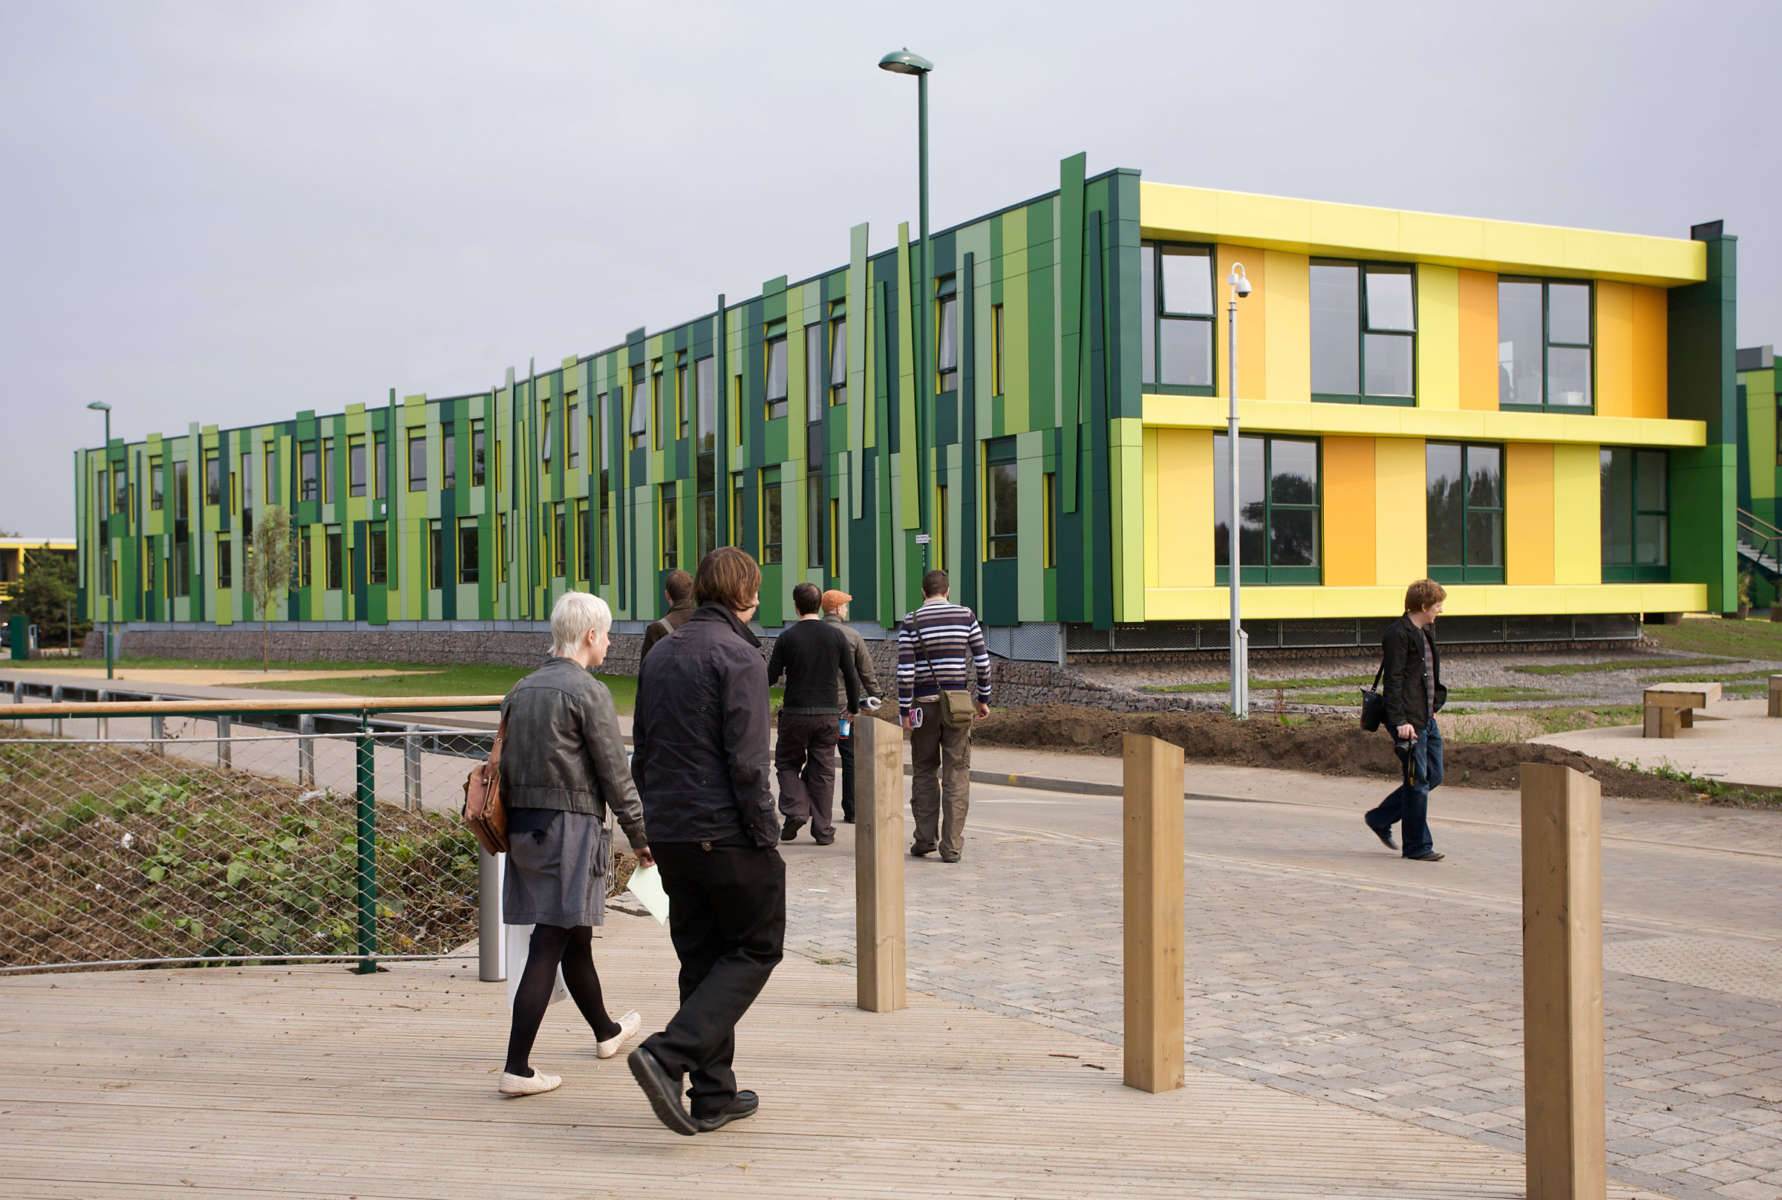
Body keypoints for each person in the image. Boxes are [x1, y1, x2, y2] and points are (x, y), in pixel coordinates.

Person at [627, 547, 785, 1135]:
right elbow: (748, 764)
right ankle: (667, 1055)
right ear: (744, 593)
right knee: (756, 947)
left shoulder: (663, 650)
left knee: (701, 958)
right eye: (757, 588)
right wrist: (766, 835)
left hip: (670, 832)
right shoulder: (739, 655)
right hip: (725, 834)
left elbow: (642, 749)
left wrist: (653, 824)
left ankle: (713, 1094)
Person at [496, 590, 651, 1097]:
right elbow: (615, 774)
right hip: (569, 831)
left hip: (524, 828)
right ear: (590, 636)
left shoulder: (522, 688)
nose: (609, 643)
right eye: (606, 634)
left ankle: (606, 1031)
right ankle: (516, 1069)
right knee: (550, 941)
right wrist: (641, 838)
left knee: (572, 934)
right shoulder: (588, 692)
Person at [896, 569, 992, 864]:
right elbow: (982, 660)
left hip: (923, 706)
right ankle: (951, 847)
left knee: (924, 770)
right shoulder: (965, 616)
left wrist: (903, 711)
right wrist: (983, 699)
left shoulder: (911, 621)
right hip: (959, 706)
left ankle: (924, 839)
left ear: (923, 592)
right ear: (947, 591)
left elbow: (905, 672)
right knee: (956, 772)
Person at [767, 582, 860, 845]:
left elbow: (771, 676)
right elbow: (851, 676)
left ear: (795, 606)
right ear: (820, 605)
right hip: (828, 713)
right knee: (823, 769)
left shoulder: (787, 637)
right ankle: (823, 829)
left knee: (786, 763)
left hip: (795, 712)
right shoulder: (836, 636)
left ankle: (796, 809)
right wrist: (852, 707)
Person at [1365, 579, 1450, 863]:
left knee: (1432, 776)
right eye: (1437, 605)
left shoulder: (1424, 632)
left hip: (1425, 718)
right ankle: (1417, 846)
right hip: (1407, 721)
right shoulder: (1398, 634)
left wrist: (1433, 706)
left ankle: (1380, 817)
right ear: (1424, 606)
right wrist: (1400, 720)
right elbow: (1395, 680)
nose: (1440, 610)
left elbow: (1425, 677)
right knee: (1417, 781)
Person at [821, 589, 881, 823]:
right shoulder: (851, 636)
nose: (846, 609)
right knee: (849, 759)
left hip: (817, 707)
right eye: (845, 606)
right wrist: (877, 695)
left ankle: (804, 806)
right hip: (845, 710)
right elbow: (865, 672)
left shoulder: (812, 632)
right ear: (836, 608)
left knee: (818, 757)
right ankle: (852, 810)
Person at [639, 569, 695, 662]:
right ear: (693, 593)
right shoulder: (708, 623)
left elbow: (646, 672)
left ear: (667, 595)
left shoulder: (656, 629)